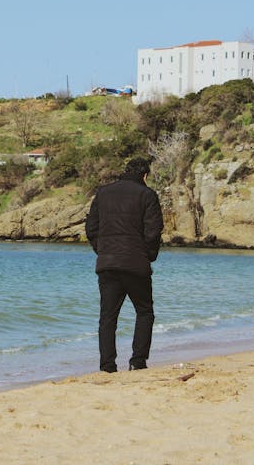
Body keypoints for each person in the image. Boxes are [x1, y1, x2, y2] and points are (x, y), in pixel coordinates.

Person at [85, 157, 163, 372]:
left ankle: (107, 365)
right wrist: (148, 256)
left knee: (108, 317)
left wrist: (102, 250)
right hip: (136, 263)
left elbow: (91, 228)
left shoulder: (103, 193)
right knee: (145, 312)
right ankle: (137, 361)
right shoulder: (147, 195)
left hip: (107, 264)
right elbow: (153, 231)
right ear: (145, 176)